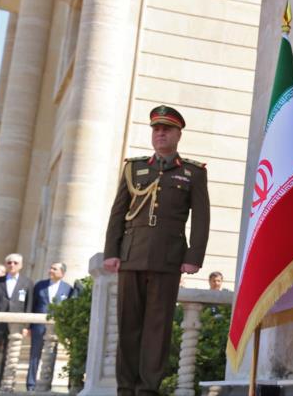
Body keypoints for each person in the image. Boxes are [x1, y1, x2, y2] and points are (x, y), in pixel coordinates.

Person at [103, 105, 210, 396]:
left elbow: (201, 218)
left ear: (178, 134)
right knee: (127, 328)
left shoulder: (193, 173)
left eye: (166, 129)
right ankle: (125, 389)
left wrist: (193, 257)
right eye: (156, 129)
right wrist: (111, 251)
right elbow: (118, 213)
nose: (160, 134)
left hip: (168, 259)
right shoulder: (134, 168)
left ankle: (147, 390)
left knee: (157, 330)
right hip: (131, 256)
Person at [0, 253, 34, 388]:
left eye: (15, 263)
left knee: (10, 353)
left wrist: (27, 326)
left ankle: (3, 382)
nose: (12, 265)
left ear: (21, 265)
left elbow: (29, 305)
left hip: (16, 324)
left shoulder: (27, 283)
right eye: (9, 263)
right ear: (6, 264)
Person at [26, 262, 73, 390]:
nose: (50, 270)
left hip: (56, 328)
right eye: (50, 268)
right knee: (34, 355)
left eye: (54, 269)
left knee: (52, 354)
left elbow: (69, 308)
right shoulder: (40, 285)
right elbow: (32, 305)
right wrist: (28, 326)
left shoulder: (68, 289)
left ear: (62, 273)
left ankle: (46, 384)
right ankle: (30, 385)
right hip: (38, 326)